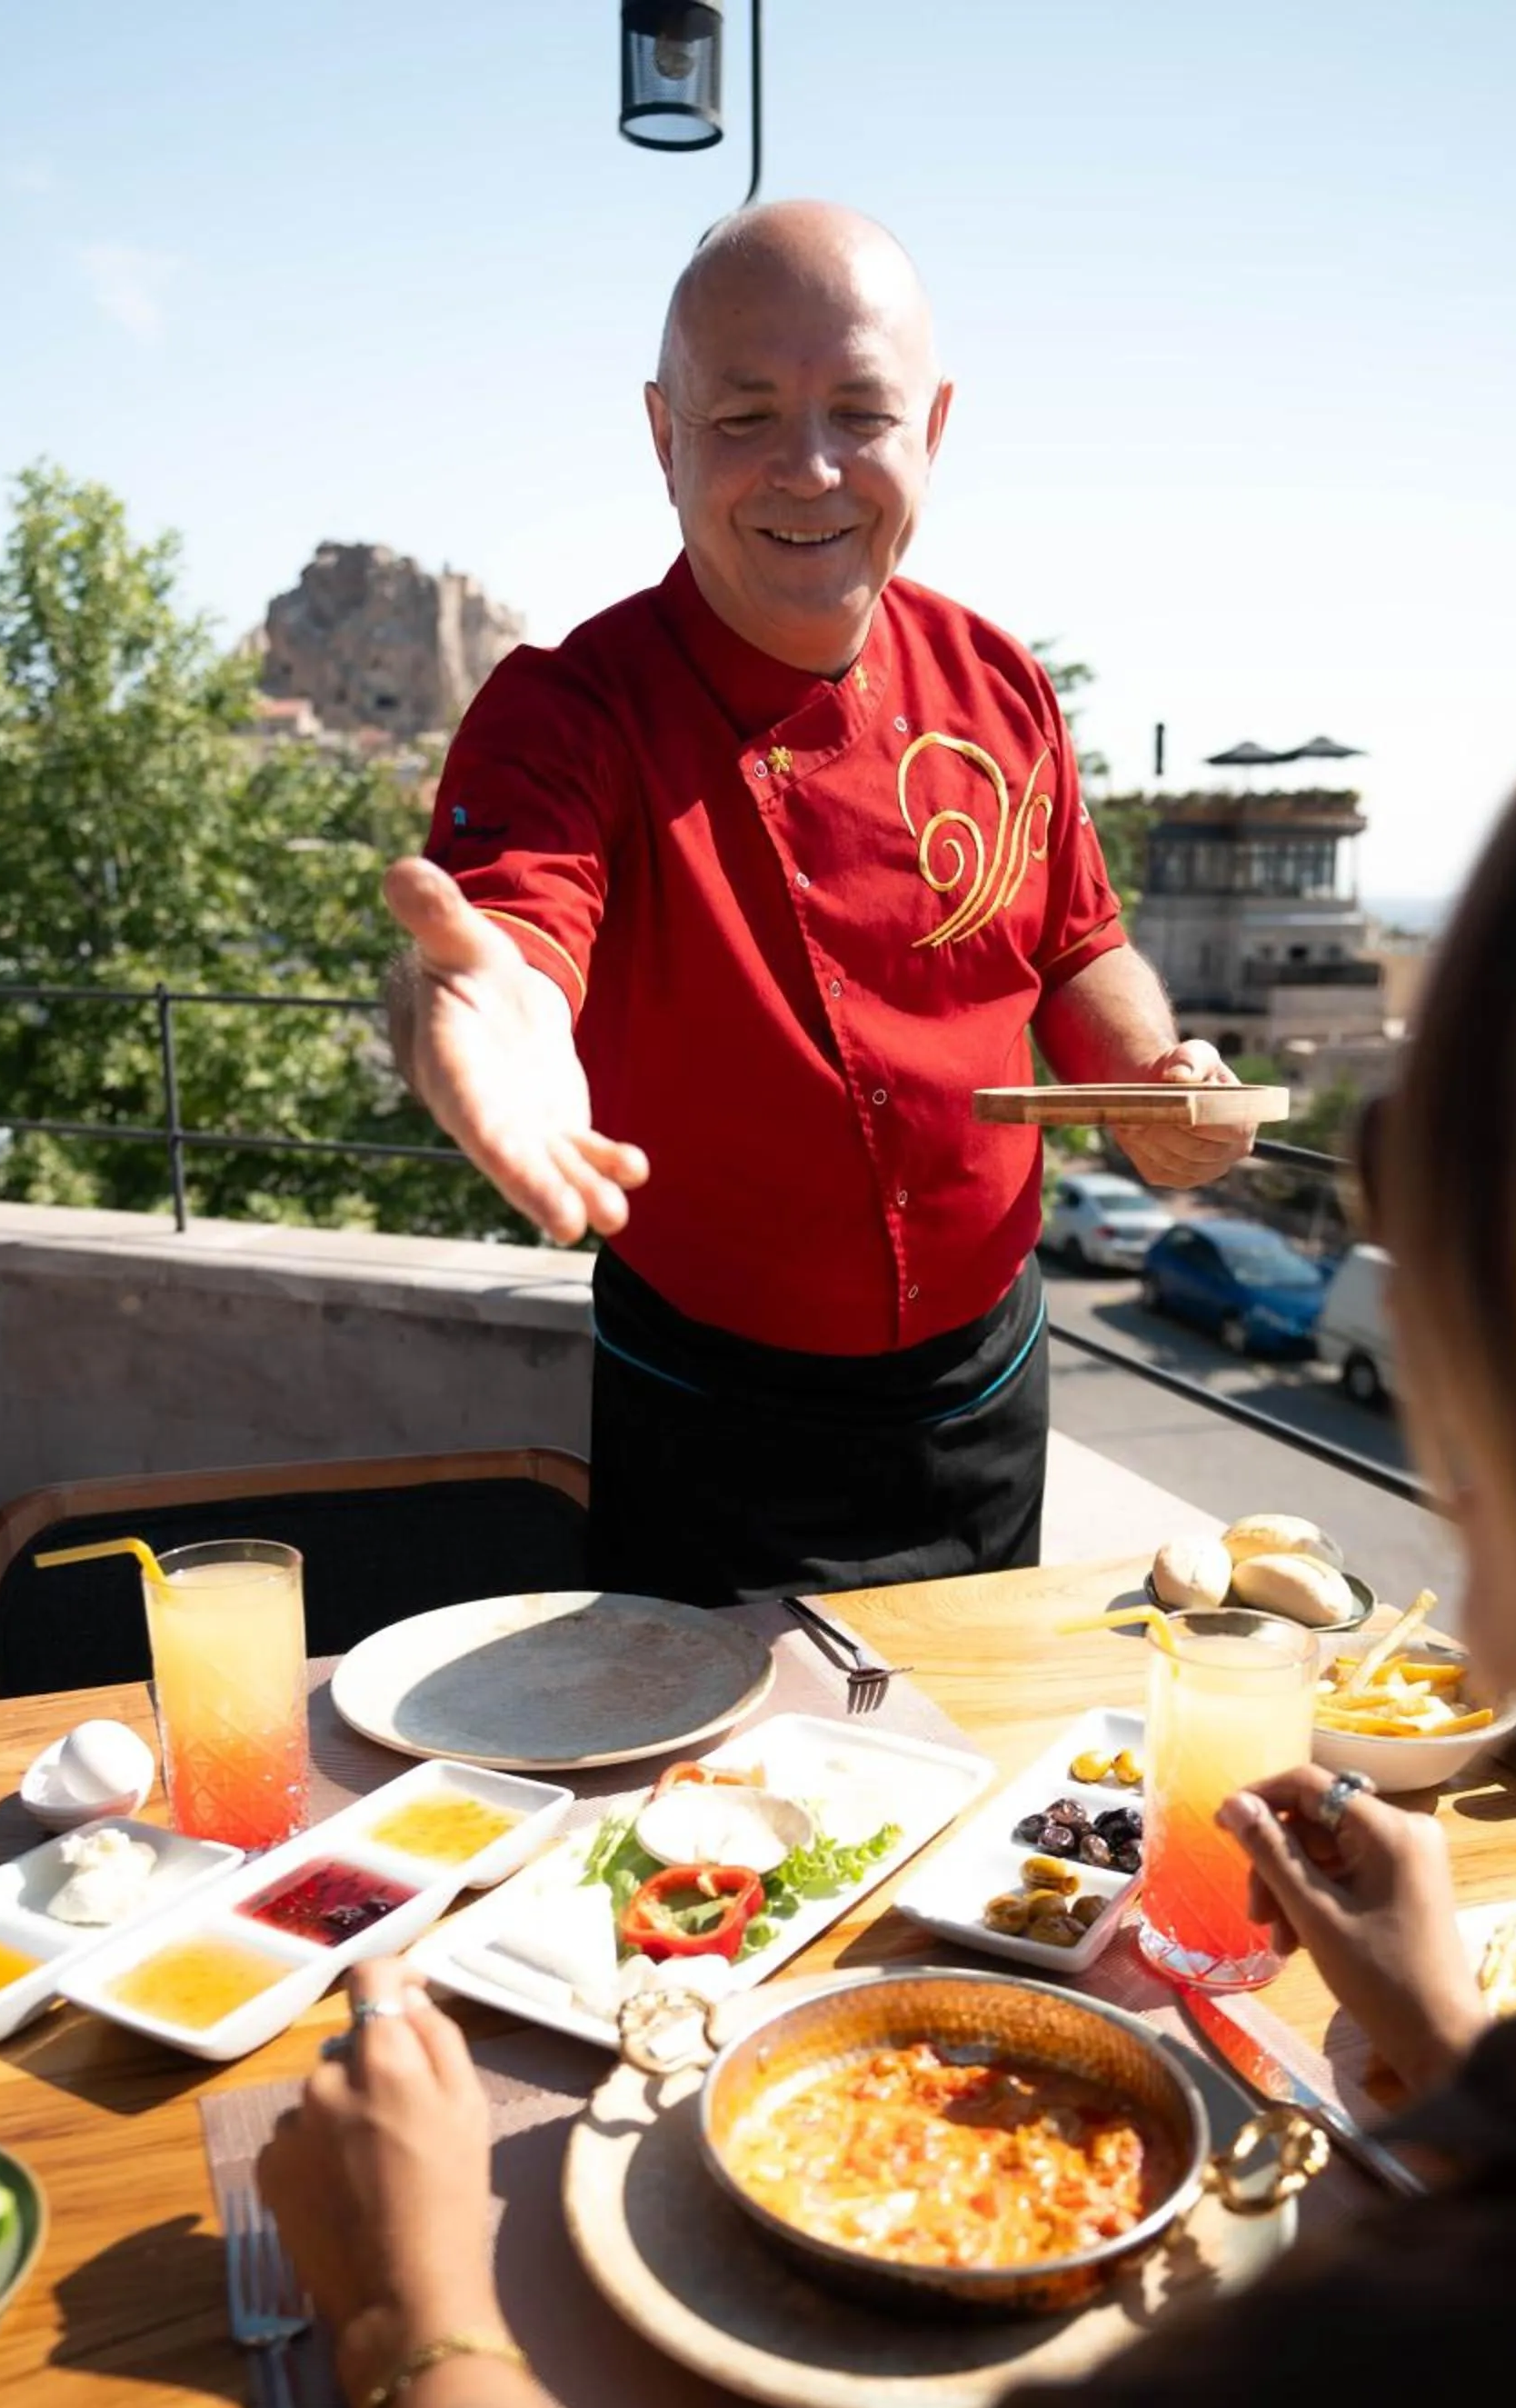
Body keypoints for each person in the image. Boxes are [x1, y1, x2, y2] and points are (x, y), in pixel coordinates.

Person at [267, 621, 1516, 2408]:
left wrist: (414, 2302)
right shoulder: (583, 698)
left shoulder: (1414, 2407)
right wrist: (1468, 2049)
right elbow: (515, 933)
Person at [382, 203, 1250, 1608]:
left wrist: (1147, 1080)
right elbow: (510, 935)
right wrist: (481, 1014)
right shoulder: (567, 710)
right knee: (720, 1814)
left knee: (971, 1785)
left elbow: (1078, 945)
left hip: (988, 1392)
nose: (810, 468)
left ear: (935, 429)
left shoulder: (1002, 682)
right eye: (744, 417)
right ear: (663, 438)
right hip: (710, 1412)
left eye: (860, 411)